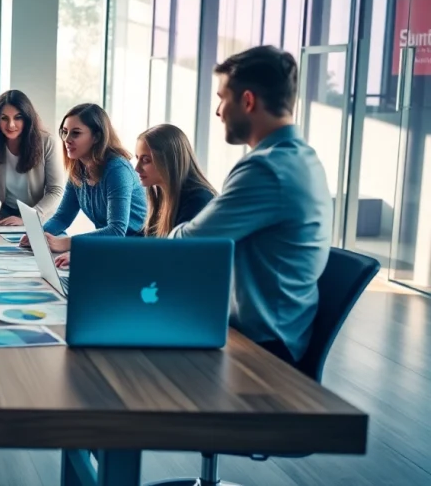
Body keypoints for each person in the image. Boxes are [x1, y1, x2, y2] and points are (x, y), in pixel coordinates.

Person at [171, 45, 332, 365]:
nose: (218, 111)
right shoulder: (302, 158)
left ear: (247, 101)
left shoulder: (267, 169)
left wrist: (163, 237)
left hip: (259, 348)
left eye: (222, 98)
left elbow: (189, 245)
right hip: (271, 332)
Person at [35, 103, 148, 268]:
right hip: (108, 248)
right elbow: (62, 217)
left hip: (135, 252)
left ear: (96, 136)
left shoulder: (117, 169)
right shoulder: (78, 167)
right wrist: (39, 235)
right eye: (64, 132)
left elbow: (116, 231)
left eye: (76, 133)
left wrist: (68, 243)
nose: (67, 140)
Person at [0, 90, 64, 227]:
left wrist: (29, 218)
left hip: (40, 213)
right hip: (7, 214)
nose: (11, 125)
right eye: (4, 118)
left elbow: (56, 190)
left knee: (47, 247)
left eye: (18, 117)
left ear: (27, 118)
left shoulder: (47, 142)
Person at [134, 123, 216, 238]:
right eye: (137, 158)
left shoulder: (198, 200)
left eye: (146, 160)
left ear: (169, 161)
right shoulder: (160, 195)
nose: (136, 168)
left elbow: (180, 251)